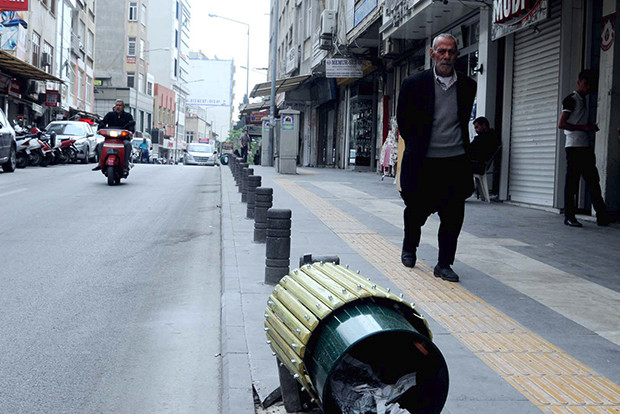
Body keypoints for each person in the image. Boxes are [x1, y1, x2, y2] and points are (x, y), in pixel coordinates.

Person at [396, 33, 477, 282]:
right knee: (416, 212)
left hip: (454, 161)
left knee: (453, 217)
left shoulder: (468, 86)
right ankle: (410, 247)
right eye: (441, 51)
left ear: (457, 55)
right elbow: (404, 122)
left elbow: (462, 121)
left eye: (451, 52)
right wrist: (419, 147)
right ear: (432, 54)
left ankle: (444, 264)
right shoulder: (414, 84)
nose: (446, 56)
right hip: (424, 163)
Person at [559, 70, 613, 227]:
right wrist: (586, 128)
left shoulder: (583, 100)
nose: (588, 87)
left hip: (584, 146)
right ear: (579, 82)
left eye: (590, 85)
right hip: (574, 147)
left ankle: (602, 216)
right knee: (572, 184)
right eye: (585, 84)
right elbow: (561, 124)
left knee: (593, 181)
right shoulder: (571, 99)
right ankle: (569, 216)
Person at [93, 100, 135, 172]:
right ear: (114, 106)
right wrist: (99, 129)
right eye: (117, 105)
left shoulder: (128, 116)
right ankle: (100, 162)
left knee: (128, 145)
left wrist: (130, 132)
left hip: (122, 139)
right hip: (109, 139)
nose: (118, 107)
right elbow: (103, 122)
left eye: (120, 105)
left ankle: (125, 165)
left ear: (123, 107)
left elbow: (131, 126)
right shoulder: (110, 115)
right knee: (100, 145)